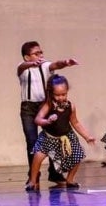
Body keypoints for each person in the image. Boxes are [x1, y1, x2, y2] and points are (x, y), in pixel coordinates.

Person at [18, 40, 79, 187]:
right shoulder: (23, 68)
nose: (40, 55)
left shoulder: (45, 65)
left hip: (46, 105)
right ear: (27, 57)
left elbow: (56, 65)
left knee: (53, 137)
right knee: (32, 141)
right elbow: (21, 67)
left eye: (41, 52)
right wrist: (30, 64)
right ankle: (33, 176)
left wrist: (66, 62)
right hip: (28, 108)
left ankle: (54, 172)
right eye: (36, 53)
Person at [25, 75, 96, 192]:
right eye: (57, 95)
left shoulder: (70, 106)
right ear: (51, 93)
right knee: (37, 157)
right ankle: (32, 181)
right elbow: (37, 119)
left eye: (64, 94)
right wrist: (47, 121)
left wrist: (87, 136)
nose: (61, 97)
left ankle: (70, 180)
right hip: (49, 138)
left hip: (66, 137)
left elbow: (75, 123)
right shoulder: (48, 105)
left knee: (77, 156)